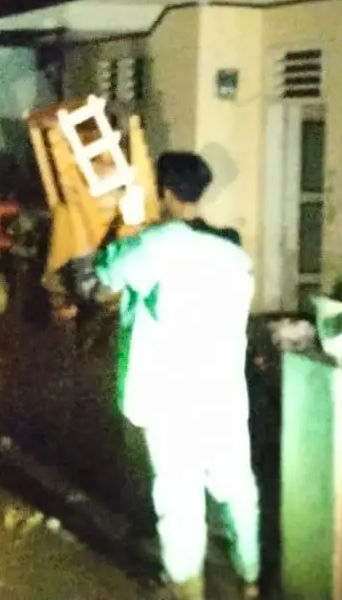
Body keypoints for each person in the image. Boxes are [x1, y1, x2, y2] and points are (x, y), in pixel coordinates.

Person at [92, 152, 261, 600]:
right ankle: (250, 577)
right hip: (223, 389)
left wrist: (122, 232)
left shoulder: (158, 244)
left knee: (179, 492)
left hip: (171, 391)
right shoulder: (234, 255)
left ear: (165, 193)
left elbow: (105, 280)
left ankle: (187, 585)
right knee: (235, 485)